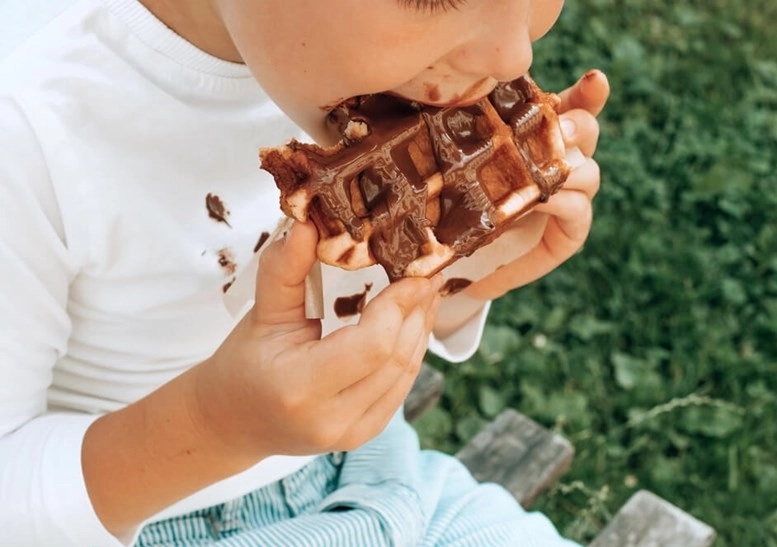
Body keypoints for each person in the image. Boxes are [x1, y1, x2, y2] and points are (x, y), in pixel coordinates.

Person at [0, 0, 609, 545]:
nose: (513, 54)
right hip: (139, 517)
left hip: (381, 471)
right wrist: (217, 425)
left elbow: (345, 302)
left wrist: (464, 276)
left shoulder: (352, 63)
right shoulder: (27, 120)